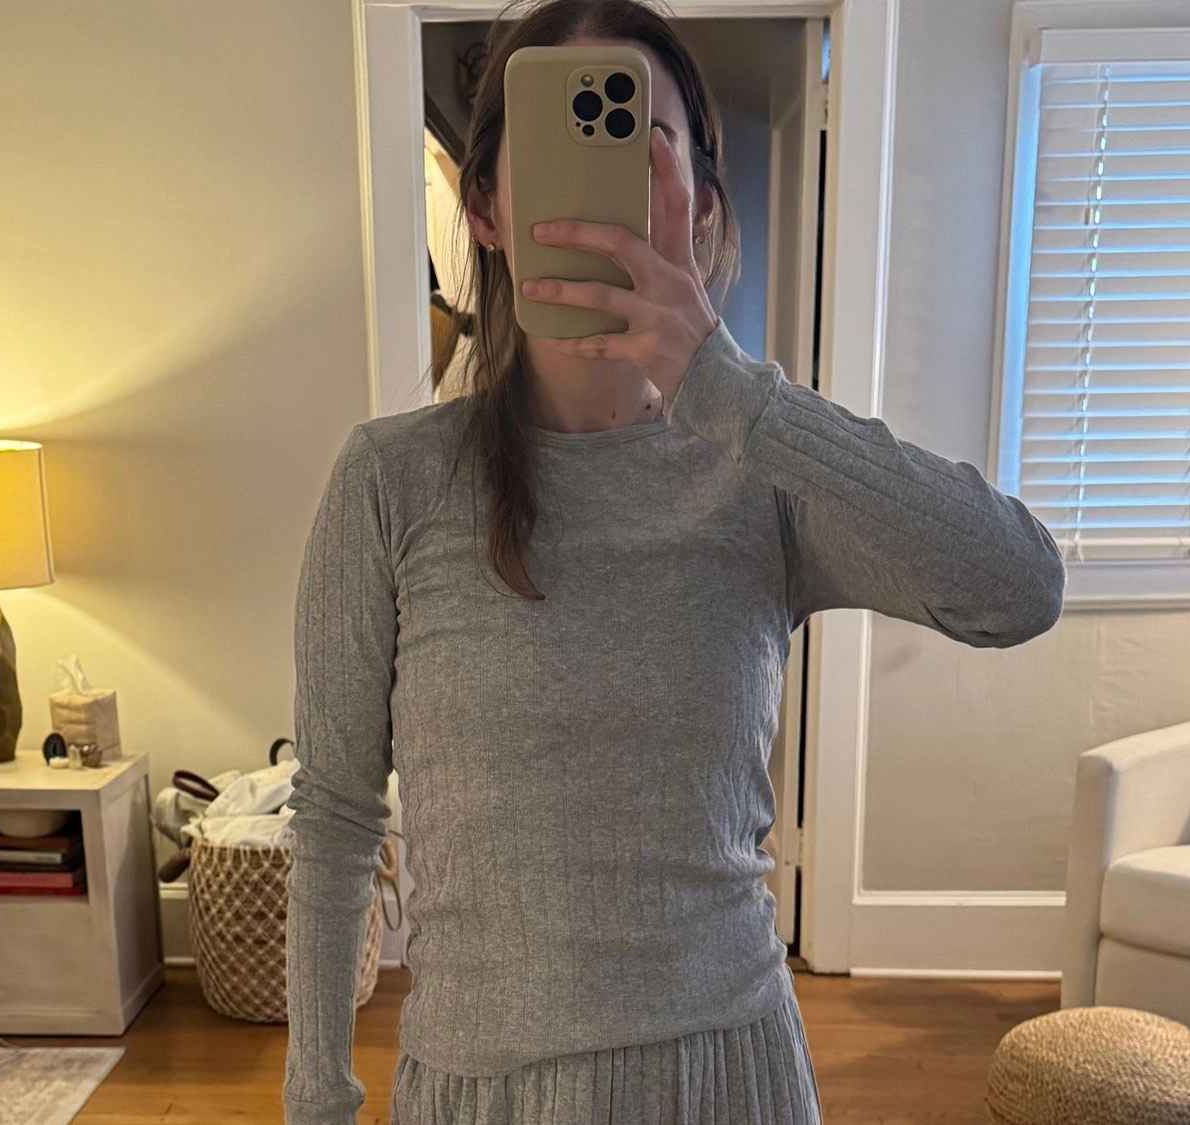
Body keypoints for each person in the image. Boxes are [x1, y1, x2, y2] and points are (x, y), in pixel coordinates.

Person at [285, 2, 1065, 1121]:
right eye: (557, 143)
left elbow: (1019, 587)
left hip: (730, 1078)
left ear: (699, 205)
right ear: (486, 206)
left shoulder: (763, 468)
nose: (597, 183)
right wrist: (316, 1099)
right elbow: (335, 814)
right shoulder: (390, 481)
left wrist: (729, 390)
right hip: (480, 1091)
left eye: (642, 141)